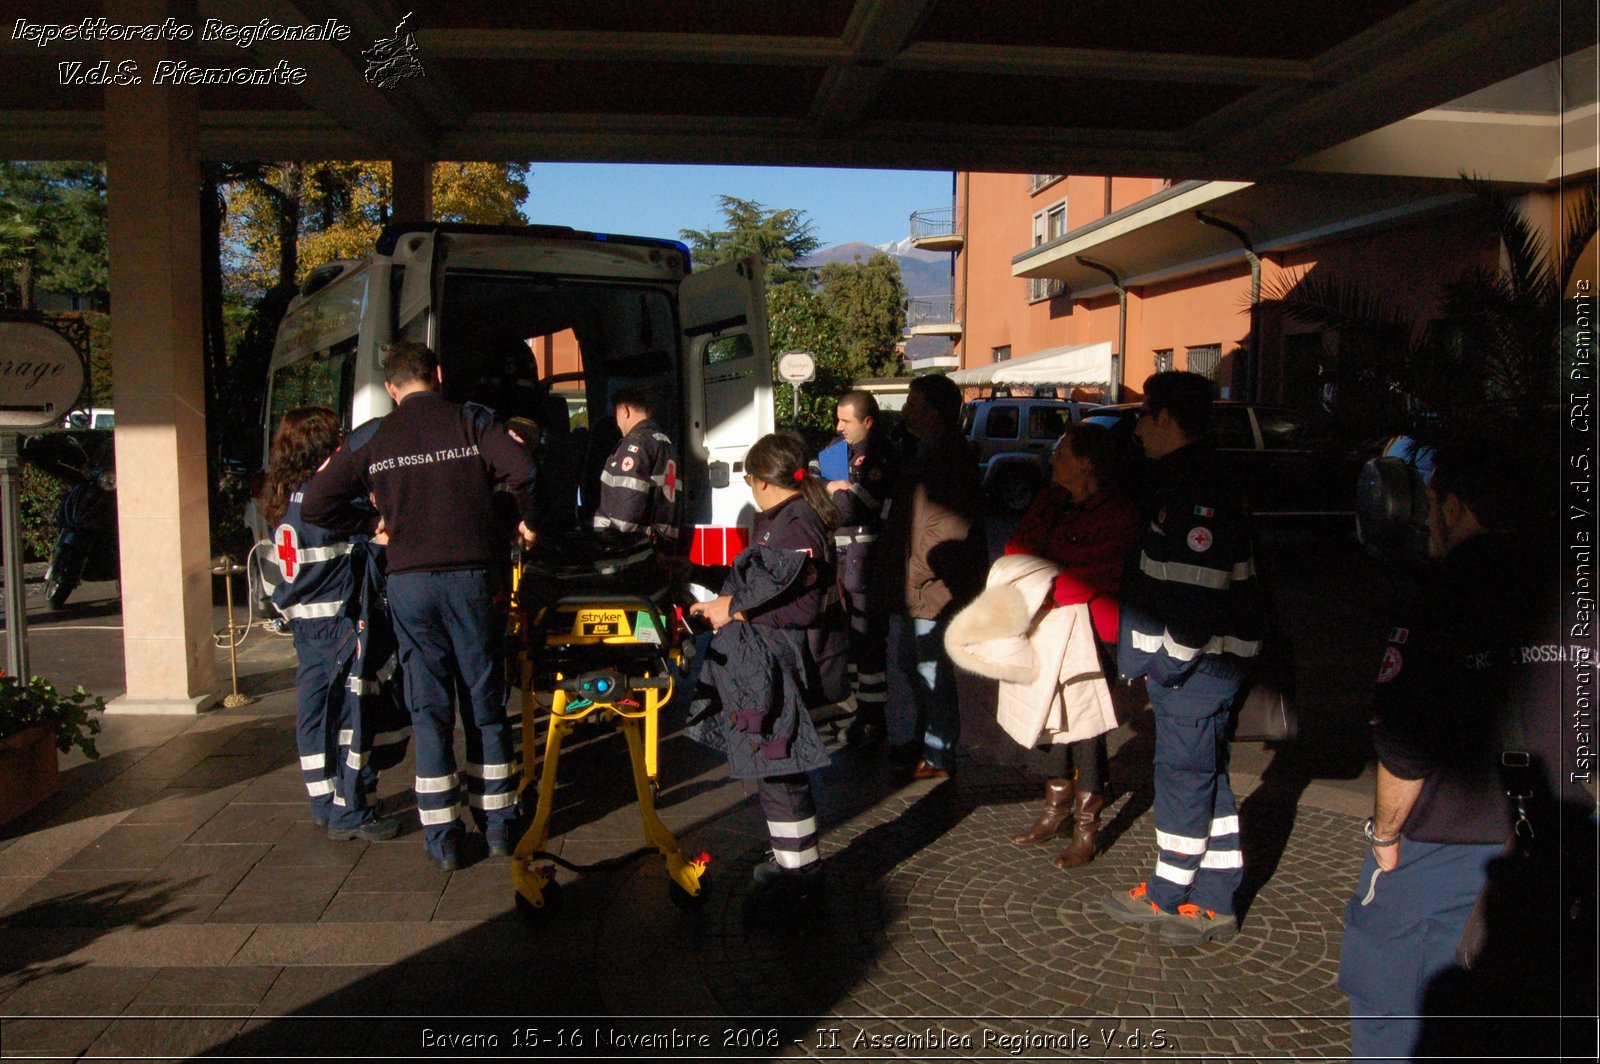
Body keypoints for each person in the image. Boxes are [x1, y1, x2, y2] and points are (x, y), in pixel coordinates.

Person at [1338, 434, 1584, 1061]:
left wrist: (1385, 836)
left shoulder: (1434, 596)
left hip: (1440, 847)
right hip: (1561, 839)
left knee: (1396, 1008)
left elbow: (1404, 746)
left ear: (1453, 508)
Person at [302, 341, 538, 871]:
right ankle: (498, 826)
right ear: (438, 373)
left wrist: (371, 527)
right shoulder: (472, 421)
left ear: (390, 388)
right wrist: (516, 522)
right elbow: (522, 470)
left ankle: (443, 839)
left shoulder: (375, 437)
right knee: (483, 697)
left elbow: (317, 503)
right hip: (473, 580)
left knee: (428, 707)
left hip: (409, 584)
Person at [1102, 370, 1264, 945]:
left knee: (1182, 779)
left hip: (1197, 668)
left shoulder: (1197, 489)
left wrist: (1167, 666)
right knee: (1204, 775)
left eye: (1145, 415)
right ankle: (1215, 892)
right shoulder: (1186, 477)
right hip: (1200, 667)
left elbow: (1196, 596)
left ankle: (1173, 893)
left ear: (1167, 418)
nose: (1138, 427)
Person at [685, 432, 845, 914]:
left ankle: (802, 881)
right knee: (775, 773)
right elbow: (763, 585)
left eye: (750, 481)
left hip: (784, 665)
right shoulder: (784, 519)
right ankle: (790, 861)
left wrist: (730, 609)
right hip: (775, 664)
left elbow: (792, 605)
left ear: (761, 480)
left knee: (780, 775)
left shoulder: (793, 526)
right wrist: (704, 576)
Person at [1003, 421, 1139, 867]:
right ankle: (1054, 810)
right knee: (1047, 715)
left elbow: (1094, 575)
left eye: (1061, 453)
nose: (1052, 460)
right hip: (1047, 621)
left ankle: (1086, 826)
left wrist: (1038, 587)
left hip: (1093, 629)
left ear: (1087, 463)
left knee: (1084, 725)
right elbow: (1018, 548)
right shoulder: (1053, 500)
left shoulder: (1116, 512)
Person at [260, 406, 399, 844]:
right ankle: (350, 811)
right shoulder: (329, 494)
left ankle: (323, 801)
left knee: (314, 711)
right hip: (338, 620)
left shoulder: (282, 493)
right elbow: (366, 543)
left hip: (304, 622)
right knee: (351, 715)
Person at [870, 373, 986, 780]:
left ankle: (938, 752)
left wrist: (917, 576)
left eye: (912, 404)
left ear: (933, 413)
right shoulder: (927, 451)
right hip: (917, 586)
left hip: (929, 588)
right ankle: (926, 741)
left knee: (931, 669)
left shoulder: (948, 457)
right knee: (913, 664)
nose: (904, 411)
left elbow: (945, 532)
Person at [819, 390, 900, 745]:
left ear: (867, 422)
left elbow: (855, 506)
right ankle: (854, 714)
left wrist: (837, 491)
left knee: (868, 645)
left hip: (867, 565)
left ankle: (871, 720)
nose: (838, 427)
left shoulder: (880, 456)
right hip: (843, 563)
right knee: (850, 643)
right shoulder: (838, 450)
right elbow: (814, 483)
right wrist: (832, 486)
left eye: (845, 421)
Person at [592, 385, 683, 552]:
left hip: (632, 549)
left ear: (625, 411)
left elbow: (628, 498)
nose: (617, 423)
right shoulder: (665, 442)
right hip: (661, 544)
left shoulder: (635, 444)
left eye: (616, 415)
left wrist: (610, 542)